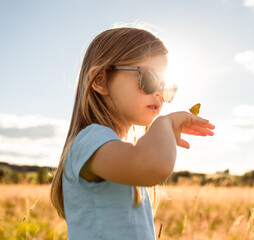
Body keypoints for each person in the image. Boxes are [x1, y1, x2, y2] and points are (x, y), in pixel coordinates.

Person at [50, 26, 215, 240]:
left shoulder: (118, 151)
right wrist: (164, 124)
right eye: (148, 79)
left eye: (165, 87)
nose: (159, 93)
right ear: (101, 80)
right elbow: (154, 165)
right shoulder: (89, 140)